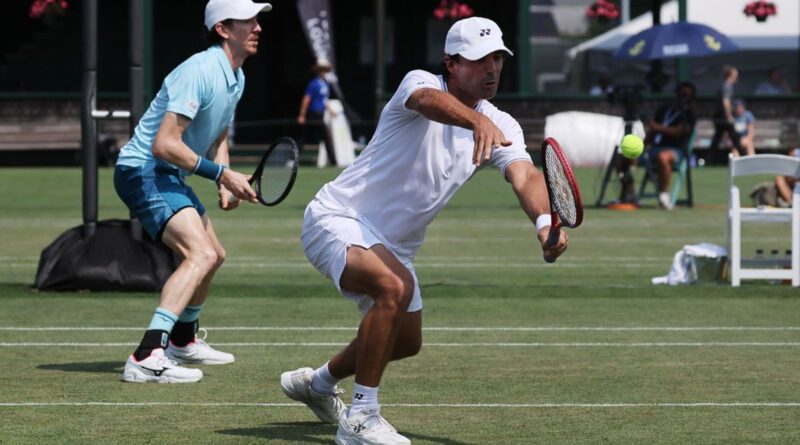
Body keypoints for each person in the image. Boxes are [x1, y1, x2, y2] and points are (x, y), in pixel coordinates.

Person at [279, 16, 568, 445]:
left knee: (405, 341)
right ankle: (360, 418)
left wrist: (545, 222)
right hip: (336, 217)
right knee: (392, 289)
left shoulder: (503, 124)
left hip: (395, 244)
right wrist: (474, 122)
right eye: (479, 60)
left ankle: (317, 384)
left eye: (498, 59)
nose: (491, 69)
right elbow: (427, 100)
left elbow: (525, 176)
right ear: (451, 63)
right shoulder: (419, 83)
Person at [114, 0, 271, 383]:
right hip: (144, 171)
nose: (258, 27)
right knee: (198, 254)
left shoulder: (236, 77)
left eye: (257, 20)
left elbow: (217, 134)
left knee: (214, 254)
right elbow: (165, 144)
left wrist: (225, 179)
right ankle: (147, 354)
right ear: (222, 29)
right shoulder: (198, 70)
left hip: (169, 175)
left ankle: (182, 341)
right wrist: (221, 173)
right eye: (248, 21)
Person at [643, 81, 697, 210]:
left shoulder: (689, 115)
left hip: (676, 150)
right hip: (654, 148)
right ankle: (628, 192)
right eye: (681, 94)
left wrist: (658, 127)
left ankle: (664, 194)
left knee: (663, 157)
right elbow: (651, 130)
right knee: (624, 154)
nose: (683, 97)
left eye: (687, 95)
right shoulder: (663, 110)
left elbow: (679, 131)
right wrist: (643, 145)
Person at [297, 58, 337, 165]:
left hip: (321, 114)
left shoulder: (326, 84)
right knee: (304, 138)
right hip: (313, 113)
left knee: (325, 137)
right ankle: (294, 159)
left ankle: (333, 161)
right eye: (321, 70)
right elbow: (306, 99)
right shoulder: (313, 83)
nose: (323, 72)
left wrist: (331, 110)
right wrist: (302, 115)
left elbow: (325, 100)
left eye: (325, 70)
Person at [709, 65, 745, 157]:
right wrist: (729, 116)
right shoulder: (727, 86)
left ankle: (709, 159)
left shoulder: (724, 85)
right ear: (730, 75)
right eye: (735, 74)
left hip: (720, 117)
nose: (737, 76)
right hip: (724, 118)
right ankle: (744, 157)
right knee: (734, 138)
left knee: (718, 138)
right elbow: (726, 101)